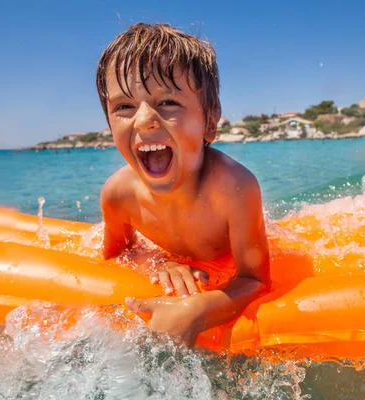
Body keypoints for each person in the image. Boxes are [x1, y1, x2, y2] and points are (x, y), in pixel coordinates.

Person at [96, 23, 270, 347]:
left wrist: (198, 310)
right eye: (124, 107)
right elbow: (117, 255)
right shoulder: (118, 195)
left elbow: (255, 279)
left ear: (210, 120)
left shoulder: (234, 189)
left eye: (168, 103)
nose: (144, 119)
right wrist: (160, 263)